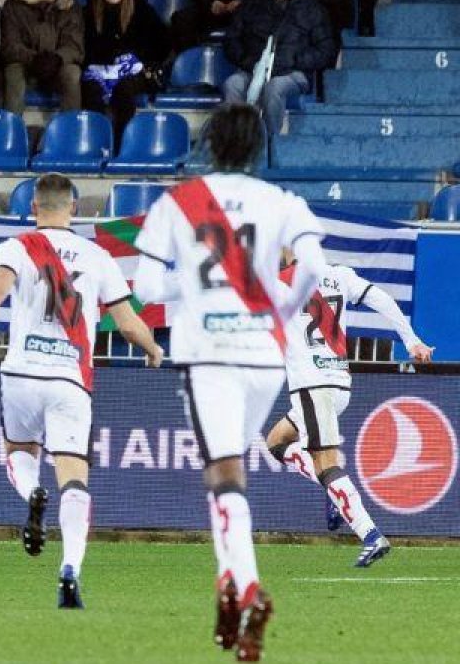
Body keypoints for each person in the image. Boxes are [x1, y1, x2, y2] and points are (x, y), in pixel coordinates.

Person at [131, 104, 329, 661]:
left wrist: (195, 292)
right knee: (232, 471)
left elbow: (145, 287)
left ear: (211, 143)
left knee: (222, 473)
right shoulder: (282, 203)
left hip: (209, 354)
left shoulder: (178, 203)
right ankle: (228, 584)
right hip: (267, 353)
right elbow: (312, 266)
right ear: (259, 148)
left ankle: (244, 586)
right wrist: (283, 310)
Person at [0, 173, 164, 608]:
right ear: (74, 209)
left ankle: (31, 493)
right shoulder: (98, 256)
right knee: (74, 477)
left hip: (21, 374)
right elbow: (128, 323)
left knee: (20, 449)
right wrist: (152, 349)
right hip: (71, 379)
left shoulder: (16, 247)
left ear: (34, 207)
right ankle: (70, 568)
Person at [265, 253, 433, 567]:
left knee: (326, 464)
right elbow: (381, 298)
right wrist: (411, 341)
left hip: (312, 386)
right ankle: (333, 490)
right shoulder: (338, 274)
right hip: (339, 383)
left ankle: (369, 534)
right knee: (276, 441)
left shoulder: (277, 282)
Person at [223, 0, 337, 136]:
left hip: (293, 73)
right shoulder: (250, 5)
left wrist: (294, 60)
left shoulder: (312, 9)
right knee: (233, 84)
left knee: (274, 87)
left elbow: (325, 50)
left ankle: (270, 141)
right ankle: (236, 143)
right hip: (251, 70)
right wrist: (249, 62)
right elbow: (231, 41)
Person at [80, 0, 171, 147]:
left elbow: (162, 44)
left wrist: (132, 56)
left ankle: (120, 146)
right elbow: (86, 50)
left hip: (134, 70)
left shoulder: (141, 8)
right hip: (101, 69)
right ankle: (96, 146)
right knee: (90, 89)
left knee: (124, 88)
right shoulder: (89, 10)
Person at [0, 0, 85, 115]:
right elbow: (10, 45)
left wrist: (57, 58)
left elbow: (73, 46)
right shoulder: (13, 4)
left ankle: (71, 128)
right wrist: (33, 59)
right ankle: (11, 128)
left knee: (72, 73)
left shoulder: (71, 6)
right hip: (26, 64)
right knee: (13, 73)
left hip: (57, 65)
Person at [169, 0, 247, 55]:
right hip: (212, 8)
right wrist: (211, 2)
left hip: (244, 10)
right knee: (182, 19)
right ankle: (187, 64)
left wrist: (241, 3)